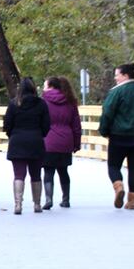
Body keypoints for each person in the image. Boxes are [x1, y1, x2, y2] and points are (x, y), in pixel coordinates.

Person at [98, 63, 134, 210]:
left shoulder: (117, 92)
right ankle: (132, 201)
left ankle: (119, 186)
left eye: (117, 75)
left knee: (113, 165)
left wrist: (104, 131)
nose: (115, 78)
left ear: (125, 75)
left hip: (119, 136)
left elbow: (107, 113)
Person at [5, 77, 50, 214]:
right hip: (35, 141)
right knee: (36, 174)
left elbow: (7, 125)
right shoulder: (41, 104)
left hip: (17, 141)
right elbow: (46, 125)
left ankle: (18, 205)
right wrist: (39, 134)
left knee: (19, 174)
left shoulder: (14, 104)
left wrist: (13, 135)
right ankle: (37, 204)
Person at [41, 76, 81, 209]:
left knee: (48, 171)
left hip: (48, 140)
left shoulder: (43, 101)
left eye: (45, 86)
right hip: (66, 140)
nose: (43, 88)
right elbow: (76, 125)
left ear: (51, 86)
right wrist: (76, 143)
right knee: (63, 171)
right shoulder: (70, 101)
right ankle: (66, 199)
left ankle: (48, 199)